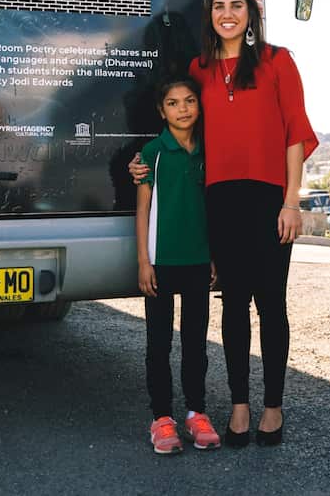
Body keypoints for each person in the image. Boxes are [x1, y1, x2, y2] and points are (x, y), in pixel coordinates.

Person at [131, 0, 318, 447]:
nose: (228, 13)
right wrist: (143, 162)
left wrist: (292, 200)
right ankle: (239, 406)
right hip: (221, 200)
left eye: (237, 5)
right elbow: (184, 126)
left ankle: (271, 408)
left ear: (250, 14)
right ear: (210, 15)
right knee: (233, 305)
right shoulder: (201, 68)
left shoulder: (278, 61)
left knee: (271, 304)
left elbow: (295, 133)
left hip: (269, 198)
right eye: (219, 6)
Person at [136, 76, 221, 454]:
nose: (183, 109)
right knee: (158, 343)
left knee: (195, 343)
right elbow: (142, 212)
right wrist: (143, 261)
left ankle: (196, 414)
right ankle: (161, 419)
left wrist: (215, 255)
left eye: (189, 101)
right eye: (173, 103)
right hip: (160, 262)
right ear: (161, 110)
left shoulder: (209, 150)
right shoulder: (152, 152)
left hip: (198, 260)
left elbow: (215, 208)